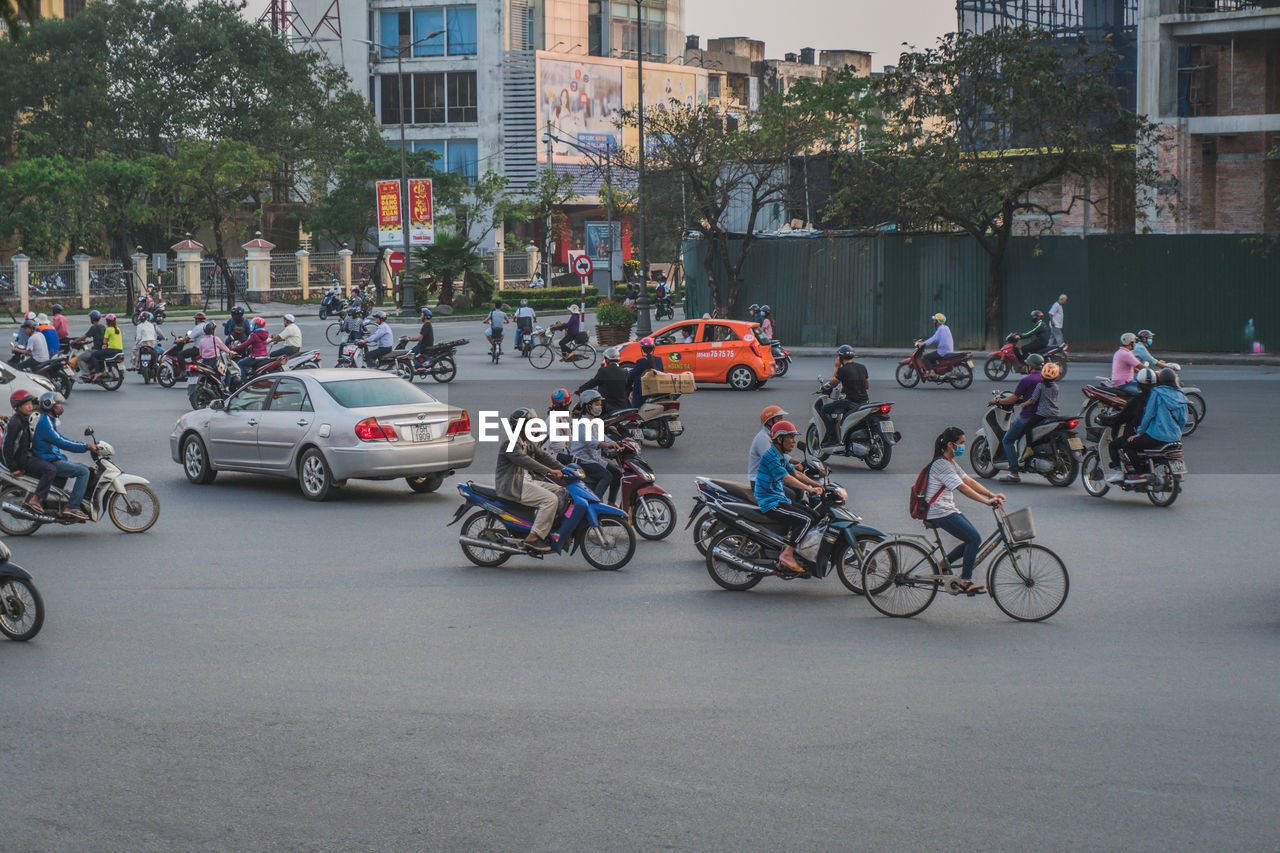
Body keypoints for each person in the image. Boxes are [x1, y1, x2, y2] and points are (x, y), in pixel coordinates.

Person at [922, 427, 1006, 596]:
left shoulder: (950, 462)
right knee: (973, 538)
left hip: (947, 509)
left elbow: (968, 480)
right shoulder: (941, 464)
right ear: (950, 445)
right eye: (961, 443)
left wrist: (991, 494)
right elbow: (962, 488)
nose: (963, 447)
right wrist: (986, 502)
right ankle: (965, 582)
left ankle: (943, 565)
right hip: (939, 511)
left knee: (972, 539)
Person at [753, 420, 824, 574]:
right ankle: (787, 554)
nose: (793, 441)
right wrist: (809, 489)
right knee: (806, 520)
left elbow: (796, 473)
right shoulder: (770, 457)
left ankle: (799, 549)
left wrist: (818, 485)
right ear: (780, 439)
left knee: (815, 515)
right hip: (771, 502)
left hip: (779, 498)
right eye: (790, 437)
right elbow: (786, 478)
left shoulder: (779, 455)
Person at [495, 407, 567, 552]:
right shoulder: (511, 443)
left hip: (526, 481)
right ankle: (533, 537)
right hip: (514, 485)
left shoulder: (527, 442)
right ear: (520, 427)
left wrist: (565, 469)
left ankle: (548, 525)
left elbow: (543, 456)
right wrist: (549, 471)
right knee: (550, 500)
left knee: (562, 491)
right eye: (531, 425)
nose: (534, 428)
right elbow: (525, 461)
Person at [31, 391, 99, 521]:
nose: (61, 407)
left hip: (52, 457)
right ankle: (72, 506)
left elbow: (61, 439)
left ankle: (64, 500)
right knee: (84, 472)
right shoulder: (45, 422)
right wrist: (86, 446)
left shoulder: (50, 420)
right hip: (49, 460)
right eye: (58, 404)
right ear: (48, 404)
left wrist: (85, 445)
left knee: (79, 467)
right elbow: (62, 442)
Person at [988, 353, 1044, 484]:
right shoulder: (1045, 379)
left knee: (1007, 440)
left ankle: (1014, 473)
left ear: (1030, 366)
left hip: (1028, 416)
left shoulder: (1026, 380)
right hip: (1045, 416)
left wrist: (998, 401)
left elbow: (1013, 398)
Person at [1123, 368, 1186, 479]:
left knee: (1128, 445)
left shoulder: (1157, 393)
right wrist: (1176, 432)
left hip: (1156, 435)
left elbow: (1148, 415)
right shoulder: (1181, 395)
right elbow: (1183, 420)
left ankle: (1141, 473)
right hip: (1175, 437)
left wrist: (1140, 432)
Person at [2, 390, 57, 514]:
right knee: (50, 469)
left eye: (30, 404)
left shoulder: (23, 419)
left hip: (27, 455)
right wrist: (13, 467)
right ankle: (36, 500)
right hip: (22, 460)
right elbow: (7, 446)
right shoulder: (16, 423)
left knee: (54, 462)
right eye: (26, 404)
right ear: (18, 407)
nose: (30, 407)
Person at [1101, 367, 1157, 482]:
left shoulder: (1136, 400)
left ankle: (1121, 472)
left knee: (1114, 445)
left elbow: (1121, 418)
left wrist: (1106, 420)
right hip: (1158, 434)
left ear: (1139, 384)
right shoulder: (1159, 398)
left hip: (1141, 434)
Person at [569, 390, 621, 504]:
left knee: (617, 473)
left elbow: (603, 437)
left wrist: (619, 443)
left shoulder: (594, 421)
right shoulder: (582, 423)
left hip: (594, 459)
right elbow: (592, 442)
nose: (599, 407)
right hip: (583, 460)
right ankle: (593, 503)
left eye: (600, 404)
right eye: (596, 404)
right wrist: (608, 445)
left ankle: (611, 502)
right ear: (587, 406)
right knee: (606, 476)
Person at [818, 345, 869, 448]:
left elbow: (832, 383)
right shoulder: (862, 367)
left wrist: (837, 367)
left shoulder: (842, 370)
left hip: (851, 403)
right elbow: (866, 386)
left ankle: (833, 439)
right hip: (865, 402)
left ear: (840, 358)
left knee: (824, 409)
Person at [577, 347, 629, 415]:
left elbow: (592, 383)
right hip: (622, 407)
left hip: (607, 408)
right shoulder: (625, 372)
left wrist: (580, 389)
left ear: (607, 360)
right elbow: (628, 389)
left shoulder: (603, 371)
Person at [747, 405, 788, 488]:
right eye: (778, 419)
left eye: (781, 418)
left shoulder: (772, 435)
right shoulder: (763, 438)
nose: (781, 422)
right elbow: (771, 461)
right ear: (770, 422)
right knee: (791, 494)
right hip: (759, 482)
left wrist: (798, 462)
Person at [627, 336, 665, 409]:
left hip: (642, 392)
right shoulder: (659, 359)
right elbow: (661, 371)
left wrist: (628, 374)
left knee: (635, 408)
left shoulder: (641, 361)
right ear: (653, 348)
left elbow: (632, 374)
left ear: (642, 349)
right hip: (657, 390)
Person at [72, 311, 106, 379]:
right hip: (102, 349)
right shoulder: (103, 327)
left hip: (96, 349)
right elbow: (101, 337)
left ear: (92, 319)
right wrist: (92, 341)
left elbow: (83, 337)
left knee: (79, 358)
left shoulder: (93, 327)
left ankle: (87, 374)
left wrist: (74, 341)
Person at [544, 389, 575, 463]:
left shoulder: (561, 418)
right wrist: (570, 455)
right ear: (564, 405)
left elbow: (569, 439)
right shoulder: (553, 420)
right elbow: (557, 445)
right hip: (551, 454)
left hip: (558, 452)